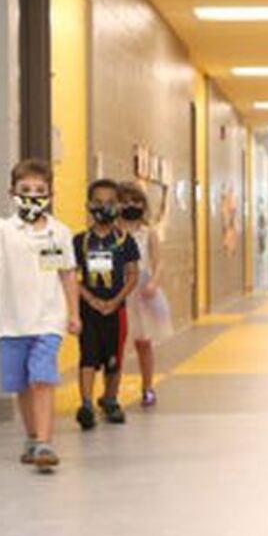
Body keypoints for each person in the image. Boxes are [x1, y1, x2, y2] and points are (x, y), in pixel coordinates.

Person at [0, 158, 81, 472]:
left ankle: (44, 442)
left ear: (51, 194)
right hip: (11, 323)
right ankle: (32, 437)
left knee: (42, 378)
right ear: (12, 193)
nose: (32, 196)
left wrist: (73, 314)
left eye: (40, 190)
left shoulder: (60, 233)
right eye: (25, 189)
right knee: (22, 385)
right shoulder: (1, 230)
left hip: (48, 320)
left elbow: (68, 274)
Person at [73, 179, 141, 430]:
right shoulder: (80, 241)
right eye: (98, 203)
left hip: (116, 309)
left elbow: (133, 274)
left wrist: (115, 301)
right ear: (89, 205)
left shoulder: (125, 241)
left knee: (114, 359)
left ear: (119, 206)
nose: (104, 208)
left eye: (111, 203)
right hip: (88, 310)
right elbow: (72, 276)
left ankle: (110, 399)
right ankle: (87, 404)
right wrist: (91, 299)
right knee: (88, 356)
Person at [118, 182, 173, 407]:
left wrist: (154, 283)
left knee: (144, 342)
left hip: (142, 289)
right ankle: (113, 390)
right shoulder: (113, 231)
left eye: (136, 201)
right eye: (126, 201)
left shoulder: (148, 232)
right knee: (116, 343)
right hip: (119, 289)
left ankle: (147, 386)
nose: (131, 205)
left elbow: (158, 262)